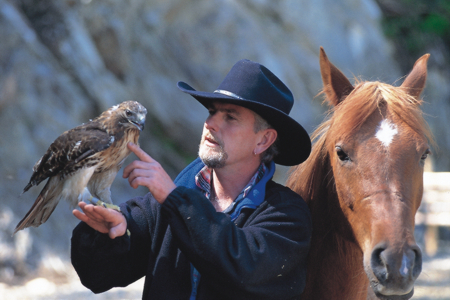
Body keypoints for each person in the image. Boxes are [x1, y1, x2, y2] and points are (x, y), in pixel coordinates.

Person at [71, 59, 312, 300]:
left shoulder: (288, 216)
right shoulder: (164, 205)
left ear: (263, 140)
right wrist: (108, 236)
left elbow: (244, 270)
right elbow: (96, 277)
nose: (210, 123)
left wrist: (176, 201)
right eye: (212, 112)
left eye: (230, 117)